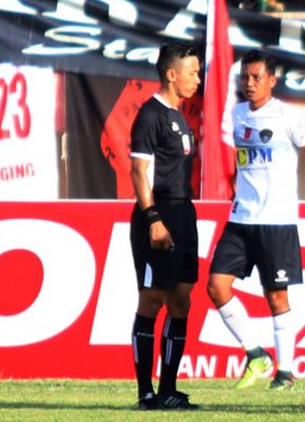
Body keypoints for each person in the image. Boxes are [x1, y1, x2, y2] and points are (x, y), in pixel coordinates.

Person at [206, 49, 305, 391]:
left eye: (256, 78)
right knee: (216, 286)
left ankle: (285, 372)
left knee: (276, 297)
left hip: (277, 221)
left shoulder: (289, 117)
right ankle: (255, 353)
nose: (249, 84)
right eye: (245, 78)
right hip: (240, 219)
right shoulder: (236, 115)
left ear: (272, 81)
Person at [129, 42, 201, 411]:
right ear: (172, 74)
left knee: (181, 298)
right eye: (192, 72)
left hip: (184, 213)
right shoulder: (150, 115)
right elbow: (138, 172)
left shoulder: (179, 114)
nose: (197, 79)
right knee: (153, 299)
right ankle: (145, 393)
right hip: (157, 216)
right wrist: (154, 219)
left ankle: (169, 389)